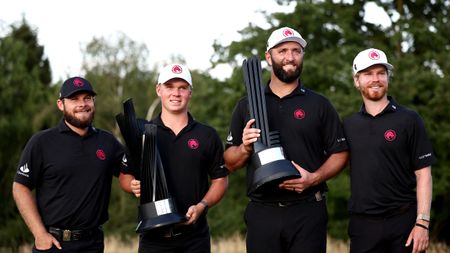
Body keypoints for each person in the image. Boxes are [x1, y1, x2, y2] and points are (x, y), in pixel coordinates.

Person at [224, 26, 349, 253]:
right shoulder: (246, 104)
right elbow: (229, 162)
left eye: (296, 50)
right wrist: (244, 148)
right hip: (263, 211)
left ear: (302, 56)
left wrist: (314, 178)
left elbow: (340, 152)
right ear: (268, 57)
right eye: (282, 50)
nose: (290, 57)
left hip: (308, 210)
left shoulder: (319, 104)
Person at [119, 63, 228, 253]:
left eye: (182, 88)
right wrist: (132, 185)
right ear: (158, 90)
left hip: (195, 238)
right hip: (153, 238)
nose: (176, 93)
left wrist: (202, 205)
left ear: (190, 92)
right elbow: (124, 176)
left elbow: (220, 180)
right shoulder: (143, 134)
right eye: (169, 87)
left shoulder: (207, 135)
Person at [12, 77, 127, 252]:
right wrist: (39, 234)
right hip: (53, 244)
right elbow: (20, 187)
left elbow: (131, 173)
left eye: (87, 98)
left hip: (93, 244)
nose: (82, 104)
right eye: (74, 99)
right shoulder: (42, 142)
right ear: (60, 104)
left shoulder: (107, 141)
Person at [343, 48, 435, 253]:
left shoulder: (410, 119)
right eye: (368, 74)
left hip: (404, 222)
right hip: (363, 226)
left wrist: (422, 223)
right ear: (356, 80)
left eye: (381, 73)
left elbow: (424, 175)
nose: (375, 79)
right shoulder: (348, 125)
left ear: (387, 77)